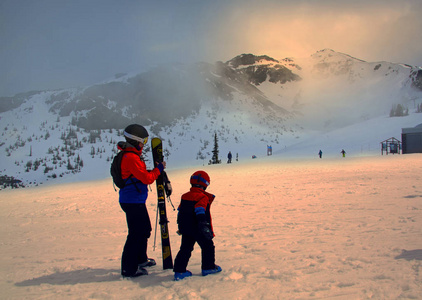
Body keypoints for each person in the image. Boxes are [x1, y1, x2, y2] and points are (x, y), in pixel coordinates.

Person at [118, 124, 166, 278]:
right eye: (143, 142)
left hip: (134, 200)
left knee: (144, 230)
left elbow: (140, 174)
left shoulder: (131, 155)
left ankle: (141, 259)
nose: (143, 145)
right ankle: (129, 269)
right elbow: (146, 178)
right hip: (132, 201)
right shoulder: (131, 157)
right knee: (135, 234)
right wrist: (158, 169)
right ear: (135, 141)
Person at [173, 170, 222, 281]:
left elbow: (181, 210)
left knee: (185, 248)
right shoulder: (202, 197)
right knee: (208, 246)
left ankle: (179, 271)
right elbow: (199, 209)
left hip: (186, 229)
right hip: (199, 228)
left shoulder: (184, 196)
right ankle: (208, 268)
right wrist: (203, 224)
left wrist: (180, 225)